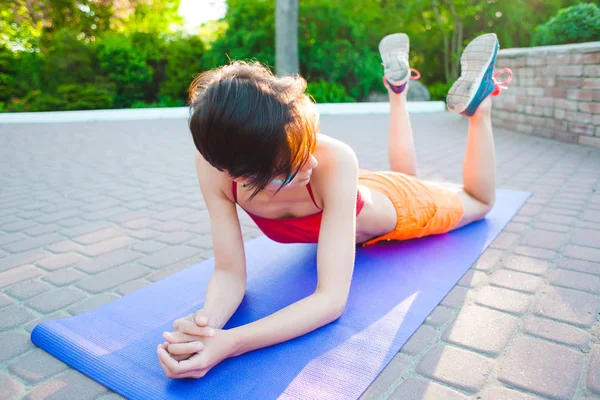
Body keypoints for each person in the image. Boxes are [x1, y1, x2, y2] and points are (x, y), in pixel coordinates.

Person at [156, 32, 512, 379]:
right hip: (351, 197)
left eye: (307, 144)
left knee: (479, 201)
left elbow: (330, 300)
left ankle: (480, 107)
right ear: (239, 175)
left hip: (398, 206)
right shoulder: (214, 167)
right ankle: (397, 91)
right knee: (406, 173)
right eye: (290, 168)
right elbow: (229, 273)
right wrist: (206, 324)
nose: (311, 163)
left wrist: (230, 343)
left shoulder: (333, 159)